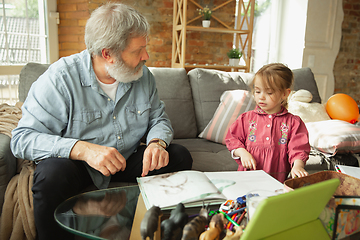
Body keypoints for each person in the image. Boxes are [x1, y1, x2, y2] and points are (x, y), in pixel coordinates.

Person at [10, 3, 193, 239]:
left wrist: (157, 143)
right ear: (108, 54)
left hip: (125, 161)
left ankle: (152, 232)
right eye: (138, 50)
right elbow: (22, 139)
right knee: (50, 174)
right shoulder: (60, 79)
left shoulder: (143, 76)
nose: (146, 56)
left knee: (178, 155)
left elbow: (159, 118)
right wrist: (83, 150)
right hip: (80, 168)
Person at [225, 63, 310, 183]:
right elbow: (232, 139)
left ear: (284, 94)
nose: (261, 97)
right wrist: (243, 152)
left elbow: (298, 149)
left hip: (277, 180)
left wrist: (298, 166)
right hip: (247, 179)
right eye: (257, 91)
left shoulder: (293, 122)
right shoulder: (246, 118)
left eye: (269, 93)